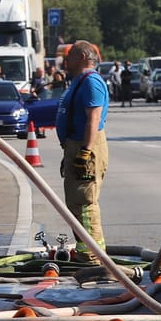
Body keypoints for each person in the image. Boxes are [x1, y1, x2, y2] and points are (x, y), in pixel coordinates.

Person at [55, 40, 111, 244]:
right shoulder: (80, 80)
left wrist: (85, 152)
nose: (65, 62)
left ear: (83, 57)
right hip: (75, 146)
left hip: (85, 147)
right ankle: (85, 250)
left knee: (84, 203)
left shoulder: (91, 82)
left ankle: (92, 256)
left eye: (69, 57)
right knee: (75, 203)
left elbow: (93, 118)